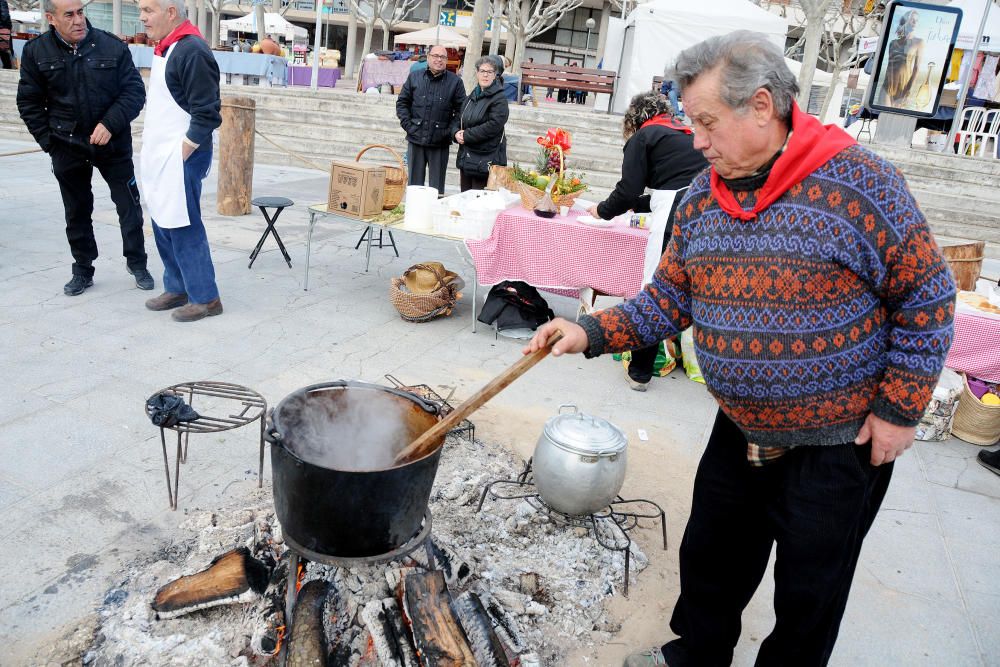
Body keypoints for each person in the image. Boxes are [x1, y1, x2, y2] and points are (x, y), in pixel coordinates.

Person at [524, 31, 956, 667]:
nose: (695, 141)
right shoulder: (703, 197)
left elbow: (929, 296)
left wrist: (898, 410)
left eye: (705, 122)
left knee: (810, 592)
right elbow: (668, 299)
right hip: (739, 433)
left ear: (761, 106)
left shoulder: (863, 184)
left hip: (838, 447)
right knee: (710, 565)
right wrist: (589, 331)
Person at [16, 0, 152, 296]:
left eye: (80, 12)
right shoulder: (36, 51)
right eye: (69, 15)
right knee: (76, 211)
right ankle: (83, 269)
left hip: (112, 144)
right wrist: (49, 143)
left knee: (128, 206)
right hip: (66, 146)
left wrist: (110, 123)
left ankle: (138, 263)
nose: (78, 20)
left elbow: (134, 91)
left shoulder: (111, 46)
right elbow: (28, 102)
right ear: (51, 18)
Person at [586, 91, 707, 391]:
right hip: (710, 206)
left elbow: (628, 189)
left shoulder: (643, 137)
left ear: (634, 119)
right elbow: (671, 182)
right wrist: (635, 205)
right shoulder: (682, 134)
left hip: (679, 207)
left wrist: (602, 210)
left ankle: (640, 372)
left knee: (657, 287)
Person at [138, 0, 223, 322]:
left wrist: (183, 151)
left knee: (183, 224)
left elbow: (207, 112)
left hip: (181, 154)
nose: (142, 17)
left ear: (170, 12)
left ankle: (206, 297)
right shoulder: (166, 47)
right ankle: (177, 286)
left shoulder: (192, 51)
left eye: (148, 10)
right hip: (162, 152)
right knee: (162, 219)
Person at [396, 44, 465, 194]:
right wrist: (409, 126)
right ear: (428, 57)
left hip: (440, 142)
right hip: (416, 139)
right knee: (414, 187)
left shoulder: (455, 82)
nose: (439, 60)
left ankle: (434, 215)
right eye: (435, 56)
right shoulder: (414, 77)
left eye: (443, 57)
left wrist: (448, 131)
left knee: (437, 188)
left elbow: (461, 111)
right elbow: (402, 103)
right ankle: (415, 215)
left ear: (446, 60)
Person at [455, 55, 509, 192]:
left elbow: (493, 125)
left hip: (486, 159)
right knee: (465, 198)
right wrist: (455, 133)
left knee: (479, 203)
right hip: (467, 157)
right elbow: (459, 118)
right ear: (477, 73)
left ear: (495, 75)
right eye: (482, 71)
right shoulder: (472, 96)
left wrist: (467, 135)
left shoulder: (499, 98)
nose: (485, 75)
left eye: (489, 72)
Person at [878, 9, 924, 108]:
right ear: (906, 21)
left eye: (917, 20)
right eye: (912, 19)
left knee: (893, 119)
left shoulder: (918, 42)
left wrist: (908, 92)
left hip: (903, 87)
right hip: (887, 85)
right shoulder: (892, 43)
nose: (915, 22)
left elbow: (916, 69)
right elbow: (889, 66)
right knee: (884, 115)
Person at [0, 0, 12, 70]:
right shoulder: (2, 1)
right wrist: (8, 27)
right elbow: (5, 16)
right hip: (2, 29)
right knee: (4, 52)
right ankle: (8, 71)